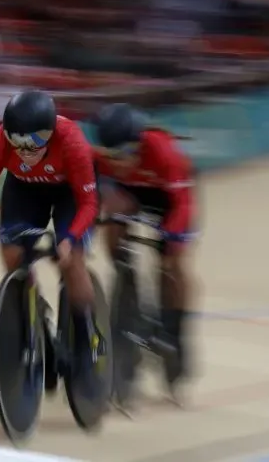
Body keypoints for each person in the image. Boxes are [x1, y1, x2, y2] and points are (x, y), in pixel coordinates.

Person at [0, 89, 103, 379]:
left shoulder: (72, 141)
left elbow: (88, 204)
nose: (26, 149)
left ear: (50, 132)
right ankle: (36, 314)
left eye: (35, 141)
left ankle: (88, 333)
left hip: (68, 194)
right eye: (18, 142)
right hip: (24, 191)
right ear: (8, 135)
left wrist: (70, 238)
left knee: (71, 259)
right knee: (12, 254)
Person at [92, 102, 196, 387]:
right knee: (112, 221)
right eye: (112, 155)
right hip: (132, 192)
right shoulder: (104, 159)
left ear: (138, 143)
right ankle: (127, 285)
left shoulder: (163, 151)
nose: (119, 161)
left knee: (172, 263)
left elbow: (183, 205)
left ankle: (175, 331)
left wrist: (171, 238)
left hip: (169, 198)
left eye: (125, 153)